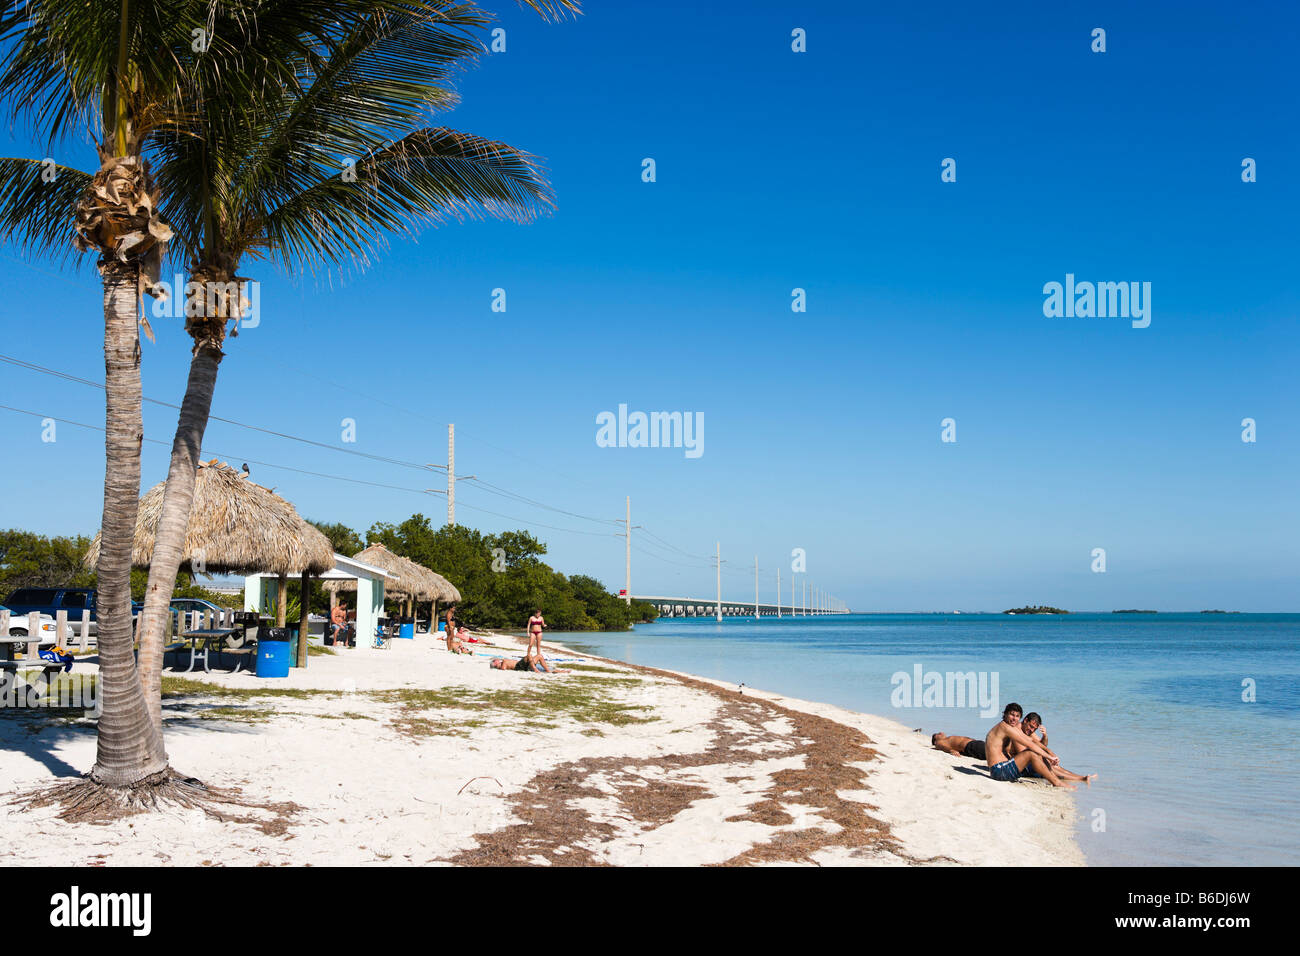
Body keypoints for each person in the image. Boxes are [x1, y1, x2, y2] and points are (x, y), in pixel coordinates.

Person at [983, 703, 1076, 789]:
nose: (1014, 718)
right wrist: (1049, 757)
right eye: (1012, 715)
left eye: (1017, 716)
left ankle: (1067, 778)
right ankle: (1057, 782)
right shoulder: (1005, 727)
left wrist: (1049, 752)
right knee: (1030, 753)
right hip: (998, 771)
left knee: (1035, 756)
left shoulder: (1009, 727)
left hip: (1002, 768)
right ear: (1005, 714)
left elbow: (1031, 740)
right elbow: (1029, 744)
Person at [1005, 711, 1095, 784]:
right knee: (1047, 765)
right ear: (1025, 720)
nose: (1032, 730)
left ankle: (1081, 777)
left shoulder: (1027, 730)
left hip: (1027, 762)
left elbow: (1042, 745)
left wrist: (1045, 736)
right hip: (1018, 767)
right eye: (1031, 726)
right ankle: (1080, 779)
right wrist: (1044, 757)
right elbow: (1024, 752)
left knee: (1053, 765)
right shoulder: (1016, 731)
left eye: (1034, 729)